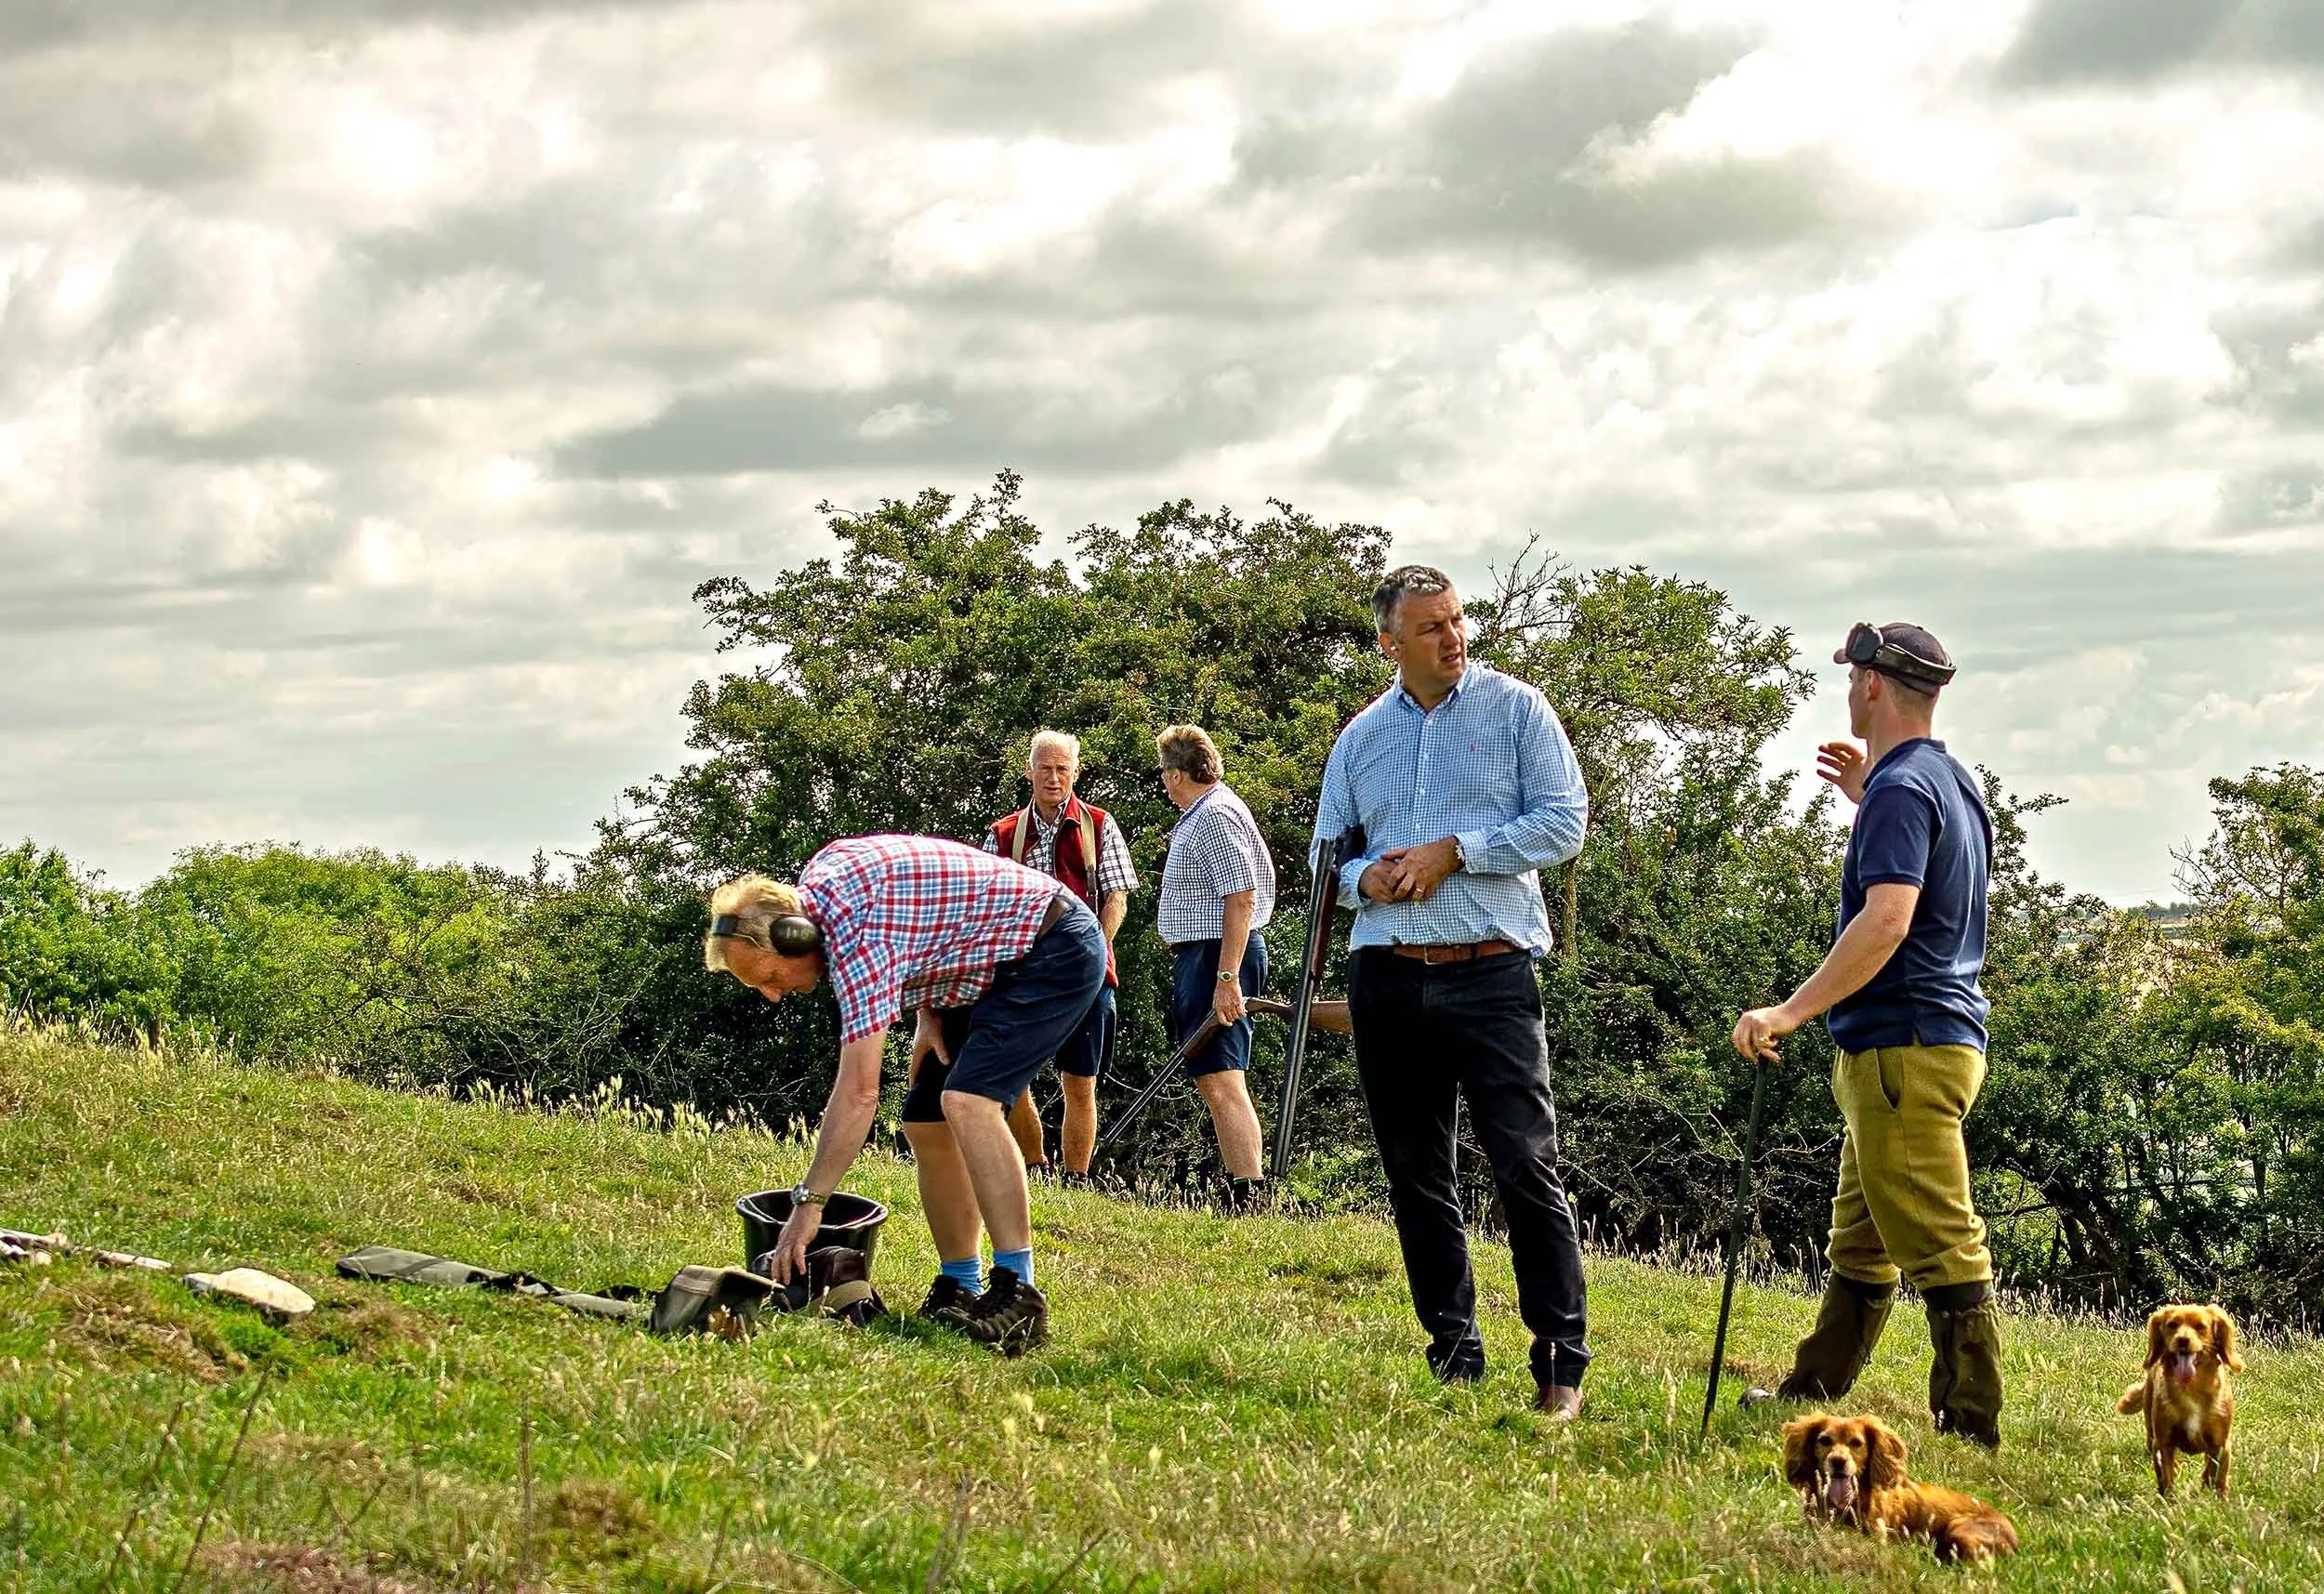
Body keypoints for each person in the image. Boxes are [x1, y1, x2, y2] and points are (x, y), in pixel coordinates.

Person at [1312, 563, 1592, 1420]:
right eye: (1431, 627)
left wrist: (1455, 851)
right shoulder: (1360, 738)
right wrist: (1371, 879)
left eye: (1458, 619)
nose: (1453, 636)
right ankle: (1453, 1354)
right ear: (1391, 643)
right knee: (1415, 1177)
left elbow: (1564, 820)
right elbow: (1328, 855)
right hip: (1388, 975)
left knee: (1525, 1164)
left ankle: (1559, 1366)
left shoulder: (1517, 710)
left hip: (1492, 969)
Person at [1732, 622, 2003, 1448]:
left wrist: (1787, 1010)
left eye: (1853, 677)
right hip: (1930, 1041)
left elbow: (1887, 921)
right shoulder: (1948, 782)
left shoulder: (1899, 791)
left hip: (1902, 1046)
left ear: (1876, 687)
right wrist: (1867, 793)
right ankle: (1810, 1390)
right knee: (1862, 1237)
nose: (1848, 690)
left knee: (1940, 1241)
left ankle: (1971, 1426)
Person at [703, 835, 1105, 1352]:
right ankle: (960, 1283)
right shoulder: (821, 882)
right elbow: (926, 914)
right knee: (924, 1118)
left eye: (770, 976)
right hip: (981, 968)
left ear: (797, 938)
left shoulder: (856, 941)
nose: (773, 993)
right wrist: (928, 1006)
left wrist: (809, 1206)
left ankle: (1018, 1295)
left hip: (1055, 948)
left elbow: (858, 1094)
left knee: (969, 1101)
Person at [984, 730, 1138, 1184]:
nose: (1054, 778)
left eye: (1062, 769)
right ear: (1029, 772)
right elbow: (990, 909)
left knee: (1080, 1082)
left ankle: (1076, 1178)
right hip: (1024, 973)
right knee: (1014, 1079)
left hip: (1086, 974)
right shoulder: (1004, 833)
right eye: (1045, 769)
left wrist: (1093, 951)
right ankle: (1034, 1167)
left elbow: (1116, 899)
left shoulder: (1099, 824)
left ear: (1075, 771)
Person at [1153, 724, 1278, 1209]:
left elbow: (1241, 896)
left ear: (1180, 773)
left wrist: (1227, 977)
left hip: (1218, 954)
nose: (1163, 783)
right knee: (1213, 1076)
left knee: (1224, 1075)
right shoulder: (1205, 813)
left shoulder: (1216, 816)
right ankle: (1242, 1189)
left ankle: (1250, 1194)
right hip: (1206, 954)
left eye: (1165, 772)